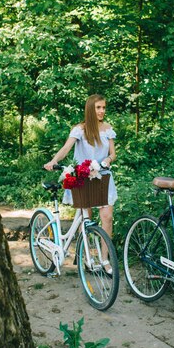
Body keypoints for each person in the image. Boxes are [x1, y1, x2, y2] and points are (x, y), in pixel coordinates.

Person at [44, 94, 117, 250]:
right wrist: (54, 161)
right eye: (98, 107)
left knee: (107, 218)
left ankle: (105, 260)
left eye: (104, 107)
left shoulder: (108, 129)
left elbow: (113, 153)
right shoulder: (80, 129)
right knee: (86, 217)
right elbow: (65, 148)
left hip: (102, 177)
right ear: (90, 109)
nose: (102, 111)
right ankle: (85, 256)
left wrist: (107, 161)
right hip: (83, 177)